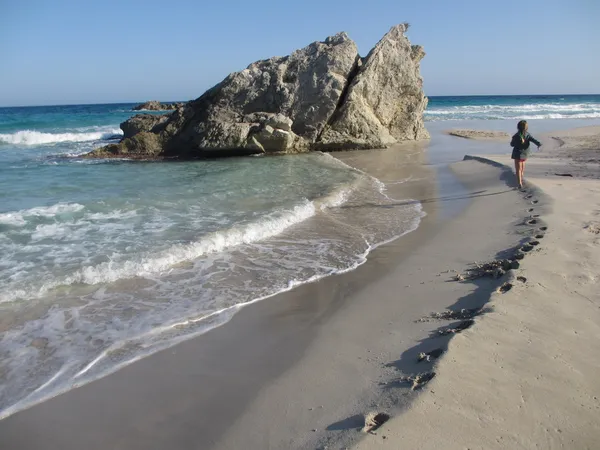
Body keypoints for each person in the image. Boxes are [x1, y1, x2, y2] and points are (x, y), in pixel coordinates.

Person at [510, 120, 541, 189]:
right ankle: (522, 179)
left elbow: (512, 144)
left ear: (518, 127)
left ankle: (519, 183)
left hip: (517, 154)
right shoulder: (527, 134)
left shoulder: (516, 136)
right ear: (526, 128)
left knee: (518, 169)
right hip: (525, 154)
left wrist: (515, 143)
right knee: (522, 168)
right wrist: (538, 144)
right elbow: (534, 140)